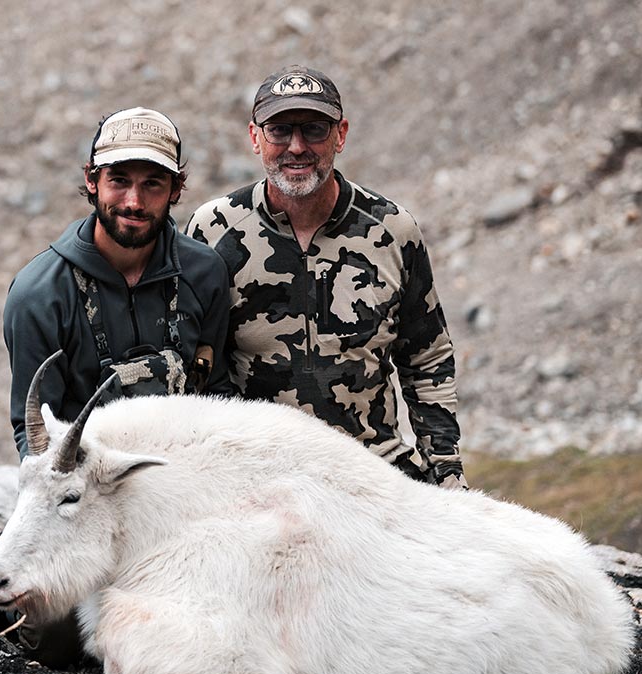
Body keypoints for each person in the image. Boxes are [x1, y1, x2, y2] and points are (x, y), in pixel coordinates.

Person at [186, 66, 467, 488]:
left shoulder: (392, 230)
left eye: (314, 130)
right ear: (255, 137)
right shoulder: (211, 230)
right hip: (257, 483)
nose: (297, 147)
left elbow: (426, 361)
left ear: (341, 134)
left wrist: (447, 477)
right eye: (280, 131)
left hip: (375, 475)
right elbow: (195, 369)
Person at [4, 107, 232, 459]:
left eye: (152, 183)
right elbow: (37, 433)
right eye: (119, 180)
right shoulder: (39, 295)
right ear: (92, 180)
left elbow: (217, 396)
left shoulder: (205, 274)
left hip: (188, 479)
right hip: (90, 491)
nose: (134, 202)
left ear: (176, 189)